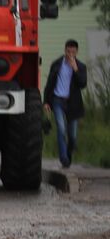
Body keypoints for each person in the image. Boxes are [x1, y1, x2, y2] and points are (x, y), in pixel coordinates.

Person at [43, 39, 89, 168]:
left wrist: (75, 69)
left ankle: (68, 154)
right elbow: (49, 84)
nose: (70, 54)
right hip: (58, 100)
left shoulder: (81, 66)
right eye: (68, 51)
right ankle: (63, 158)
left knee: (72, 137)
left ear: (76, 52)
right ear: (65, 50)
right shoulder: (57, 64)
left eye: (73, 52)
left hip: (73, 103)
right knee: (61, 129)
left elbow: (83, 84)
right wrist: (46, 102)